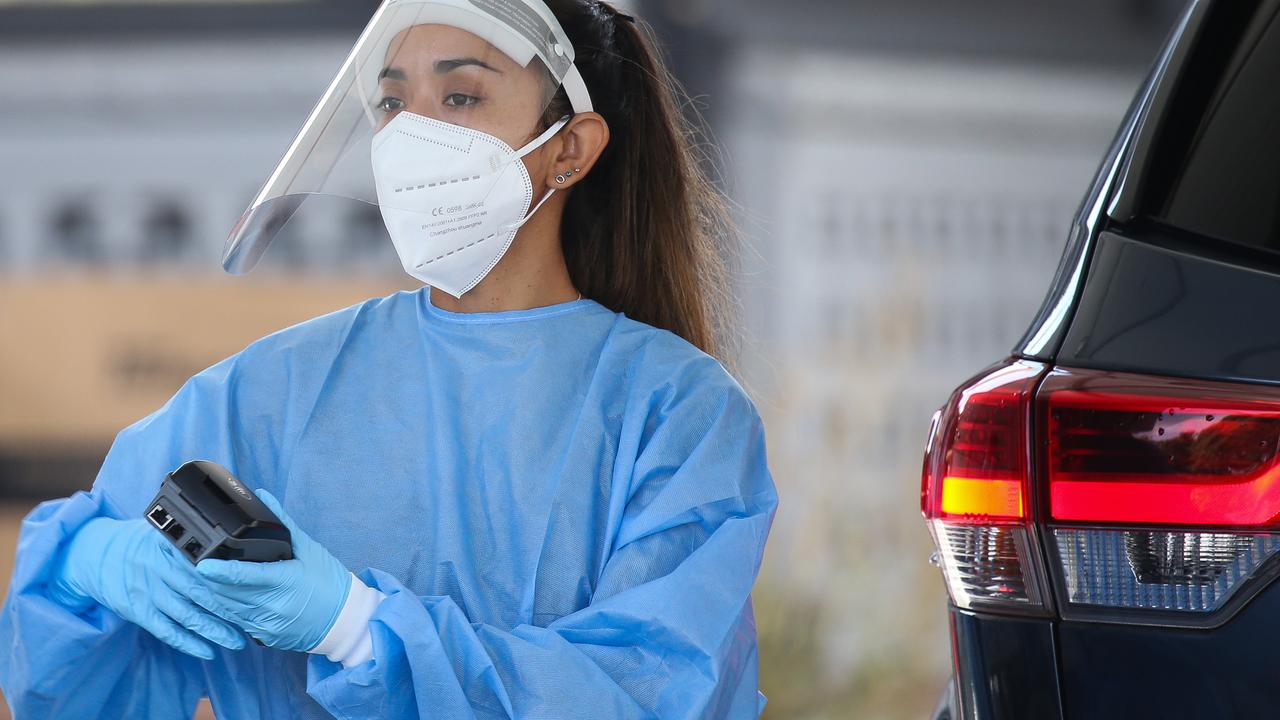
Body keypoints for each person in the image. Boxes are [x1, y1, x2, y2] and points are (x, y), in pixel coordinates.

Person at [0, 0, 778, 717]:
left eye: (460, 97)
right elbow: (71, 685)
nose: (411, 136)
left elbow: (652, 690)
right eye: (392, 103)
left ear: (569, 148)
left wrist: (353, 627)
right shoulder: (273, 389)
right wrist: (85, 569)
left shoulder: (678, 414)